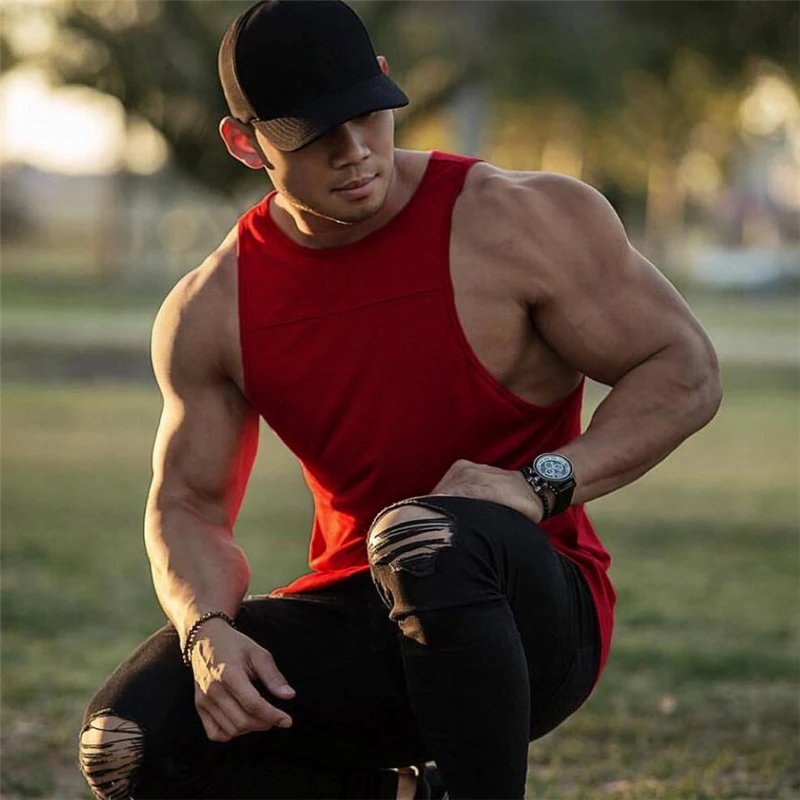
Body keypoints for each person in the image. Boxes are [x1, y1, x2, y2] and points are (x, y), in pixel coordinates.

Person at [77, 1, 722, 798]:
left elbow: (684, 369)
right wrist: (205, 629)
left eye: (368, 114)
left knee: (421, 536)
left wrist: (537, 484)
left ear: (385, 84)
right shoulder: (211, 307)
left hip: (533, 616)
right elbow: (188, 504)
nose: (354, 151)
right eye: (312, 135)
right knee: (127, 742)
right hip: (364, 620)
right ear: (245, 143)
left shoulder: (523, 219)